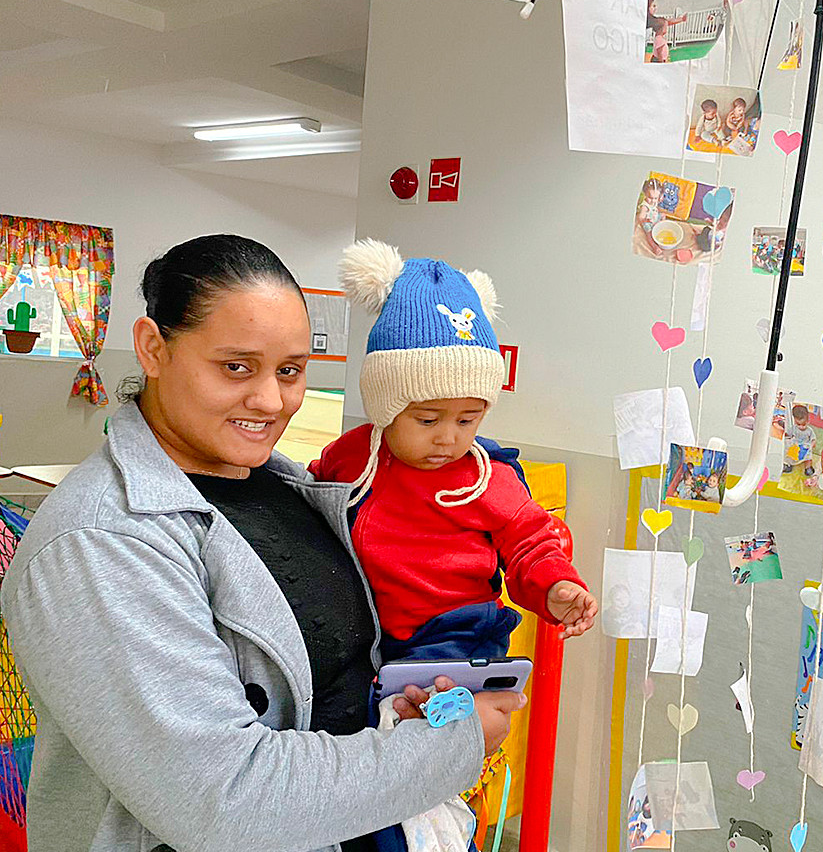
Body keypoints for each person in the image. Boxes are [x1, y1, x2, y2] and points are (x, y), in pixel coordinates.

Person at [0, 235, 522, 852]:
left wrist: (405, 707)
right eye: (237, 367)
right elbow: (224, 799)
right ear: (152, 348)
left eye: (291, 371)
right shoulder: (100, 543)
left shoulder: (288, 487)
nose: (272, 401)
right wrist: (447, 748)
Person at [312, 240, 597, 669]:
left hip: (457, 630)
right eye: (428, 420)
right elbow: (311, 494)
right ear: (386, 407)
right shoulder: (354, 455)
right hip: (366, 622)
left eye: (467, 421)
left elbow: (531, 544)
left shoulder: (487, 477)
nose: (448, 438)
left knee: (429, 710)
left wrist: (555, 586)